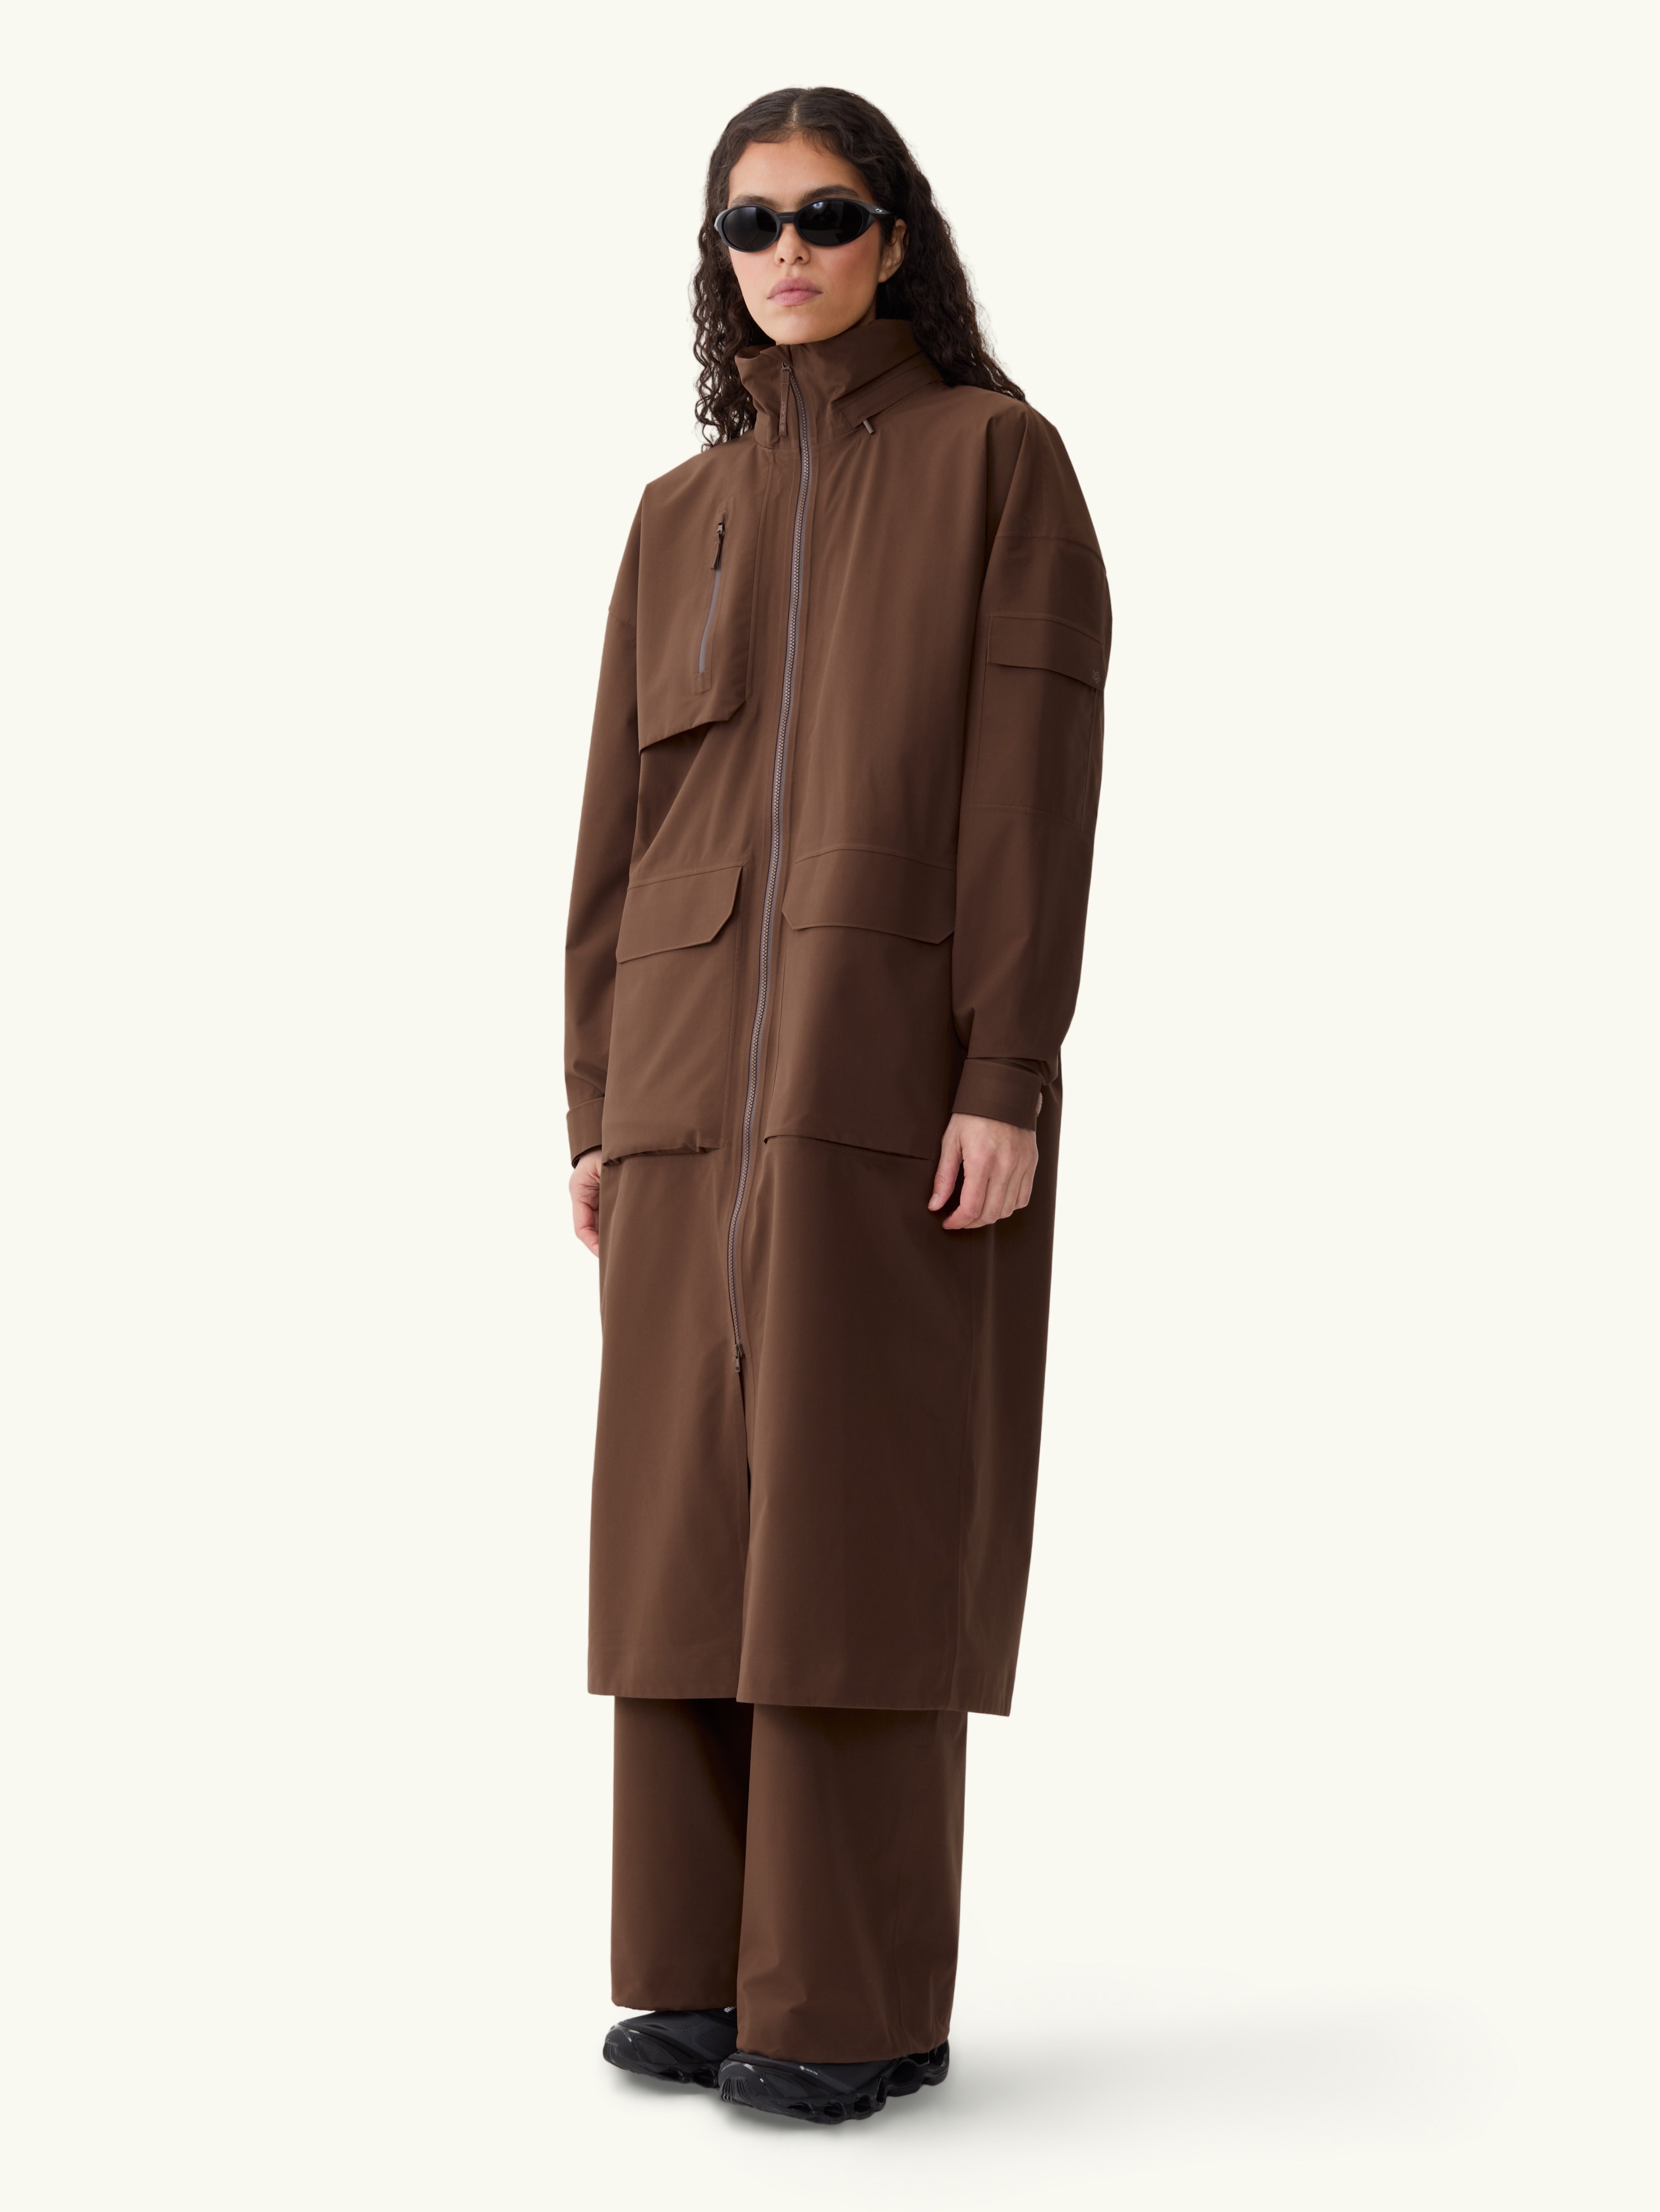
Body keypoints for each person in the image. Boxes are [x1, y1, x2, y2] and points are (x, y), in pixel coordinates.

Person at [564, 84, 1110, 2125]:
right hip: (682, 1092)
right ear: (715, 257)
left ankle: (850, 2001)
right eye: (750, 223)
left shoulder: (995, 463)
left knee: (855, 1525)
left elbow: (1030, 794)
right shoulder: (675, 513)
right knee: (681, 1534)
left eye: (825, 216)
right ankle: (695, 1976)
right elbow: (617, 831)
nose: (784, 252)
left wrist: (1003, 1070)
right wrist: (596, 1099)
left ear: (895, 240)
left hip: (886, 1082)